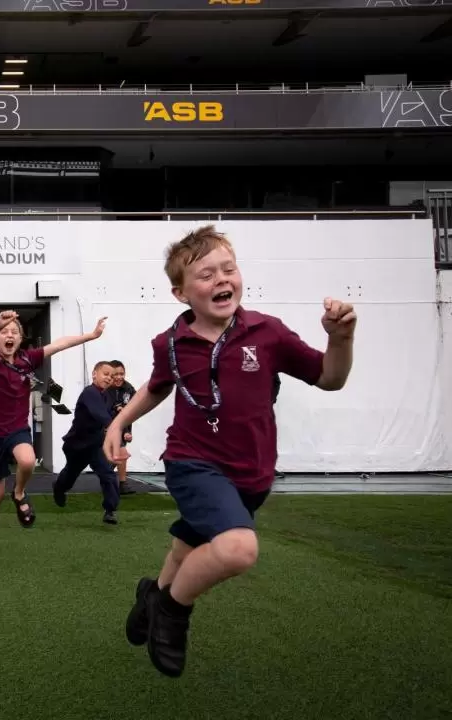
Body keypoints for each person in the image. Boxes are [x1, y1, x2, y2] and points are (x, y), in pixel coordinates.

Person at [104, 224, 356, 678]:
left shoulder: (268, 332)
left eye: (229, 269)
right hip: (192, 461)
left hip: (253, 473)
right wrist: (121, 419)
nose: (222, 280)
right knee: (238, 549)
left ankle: (152, 594)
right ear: (181, 293)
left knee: (187, 549)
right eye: (206, 275)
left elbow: (330, 378)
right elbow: (159, 387)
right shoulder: (170, 343)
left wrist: (341, 339)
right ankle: (172, 611)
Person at [0, 310, 107, 559]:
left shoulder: (28, 359)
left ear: (21, 338)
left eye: (14, 331)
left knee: (27, 461)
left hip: (15, 429)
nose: (9, 335)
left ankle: (20, 493)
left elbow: (59, 344)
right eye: (4, 332)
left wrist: (91, 335)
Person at [52, 361, 122, 524]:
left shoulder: (107, 396)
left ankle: (110, 510)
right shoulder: (89, 393)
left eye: (112, 376)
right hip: (77, 446)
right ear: (94, 374)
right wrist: (116, 430)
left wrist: (122, 428)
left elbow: (112, 416)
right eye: (106, 374)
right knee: (70, 475)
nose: (109, 378)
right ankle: (59, 488)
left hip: (95, 446)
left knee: (108, 475)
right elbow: (102, 416)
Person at [108, 360, 138, 495]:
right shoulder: (106, 388)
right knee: (118, 454)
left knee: (121, 453)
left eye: (122, 374)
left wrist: (127, 431)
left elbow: (134, 409)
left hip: (122, 427)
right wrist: (117, 408)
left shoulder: (129, 389)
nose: (119, 377)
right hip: (106, 427)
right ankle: (114, 480)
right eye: (116, 374)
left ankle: (122, 483)